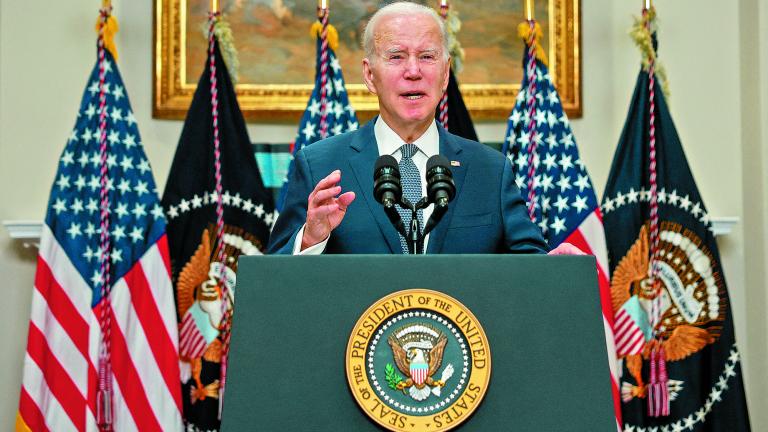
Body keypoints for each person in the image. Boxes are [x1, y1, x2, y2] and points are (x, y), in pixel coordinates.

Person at [268, 1, 551, 255]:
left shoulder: (490, 169)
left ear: (445, 74)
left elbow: (531, 268)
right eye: (396, 57)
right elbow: (274, 280)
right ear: (369, 75)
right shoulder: (320, 165)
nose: (413, 71)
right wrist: (310, 240)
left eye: (427, 56)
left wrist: (557, 270)